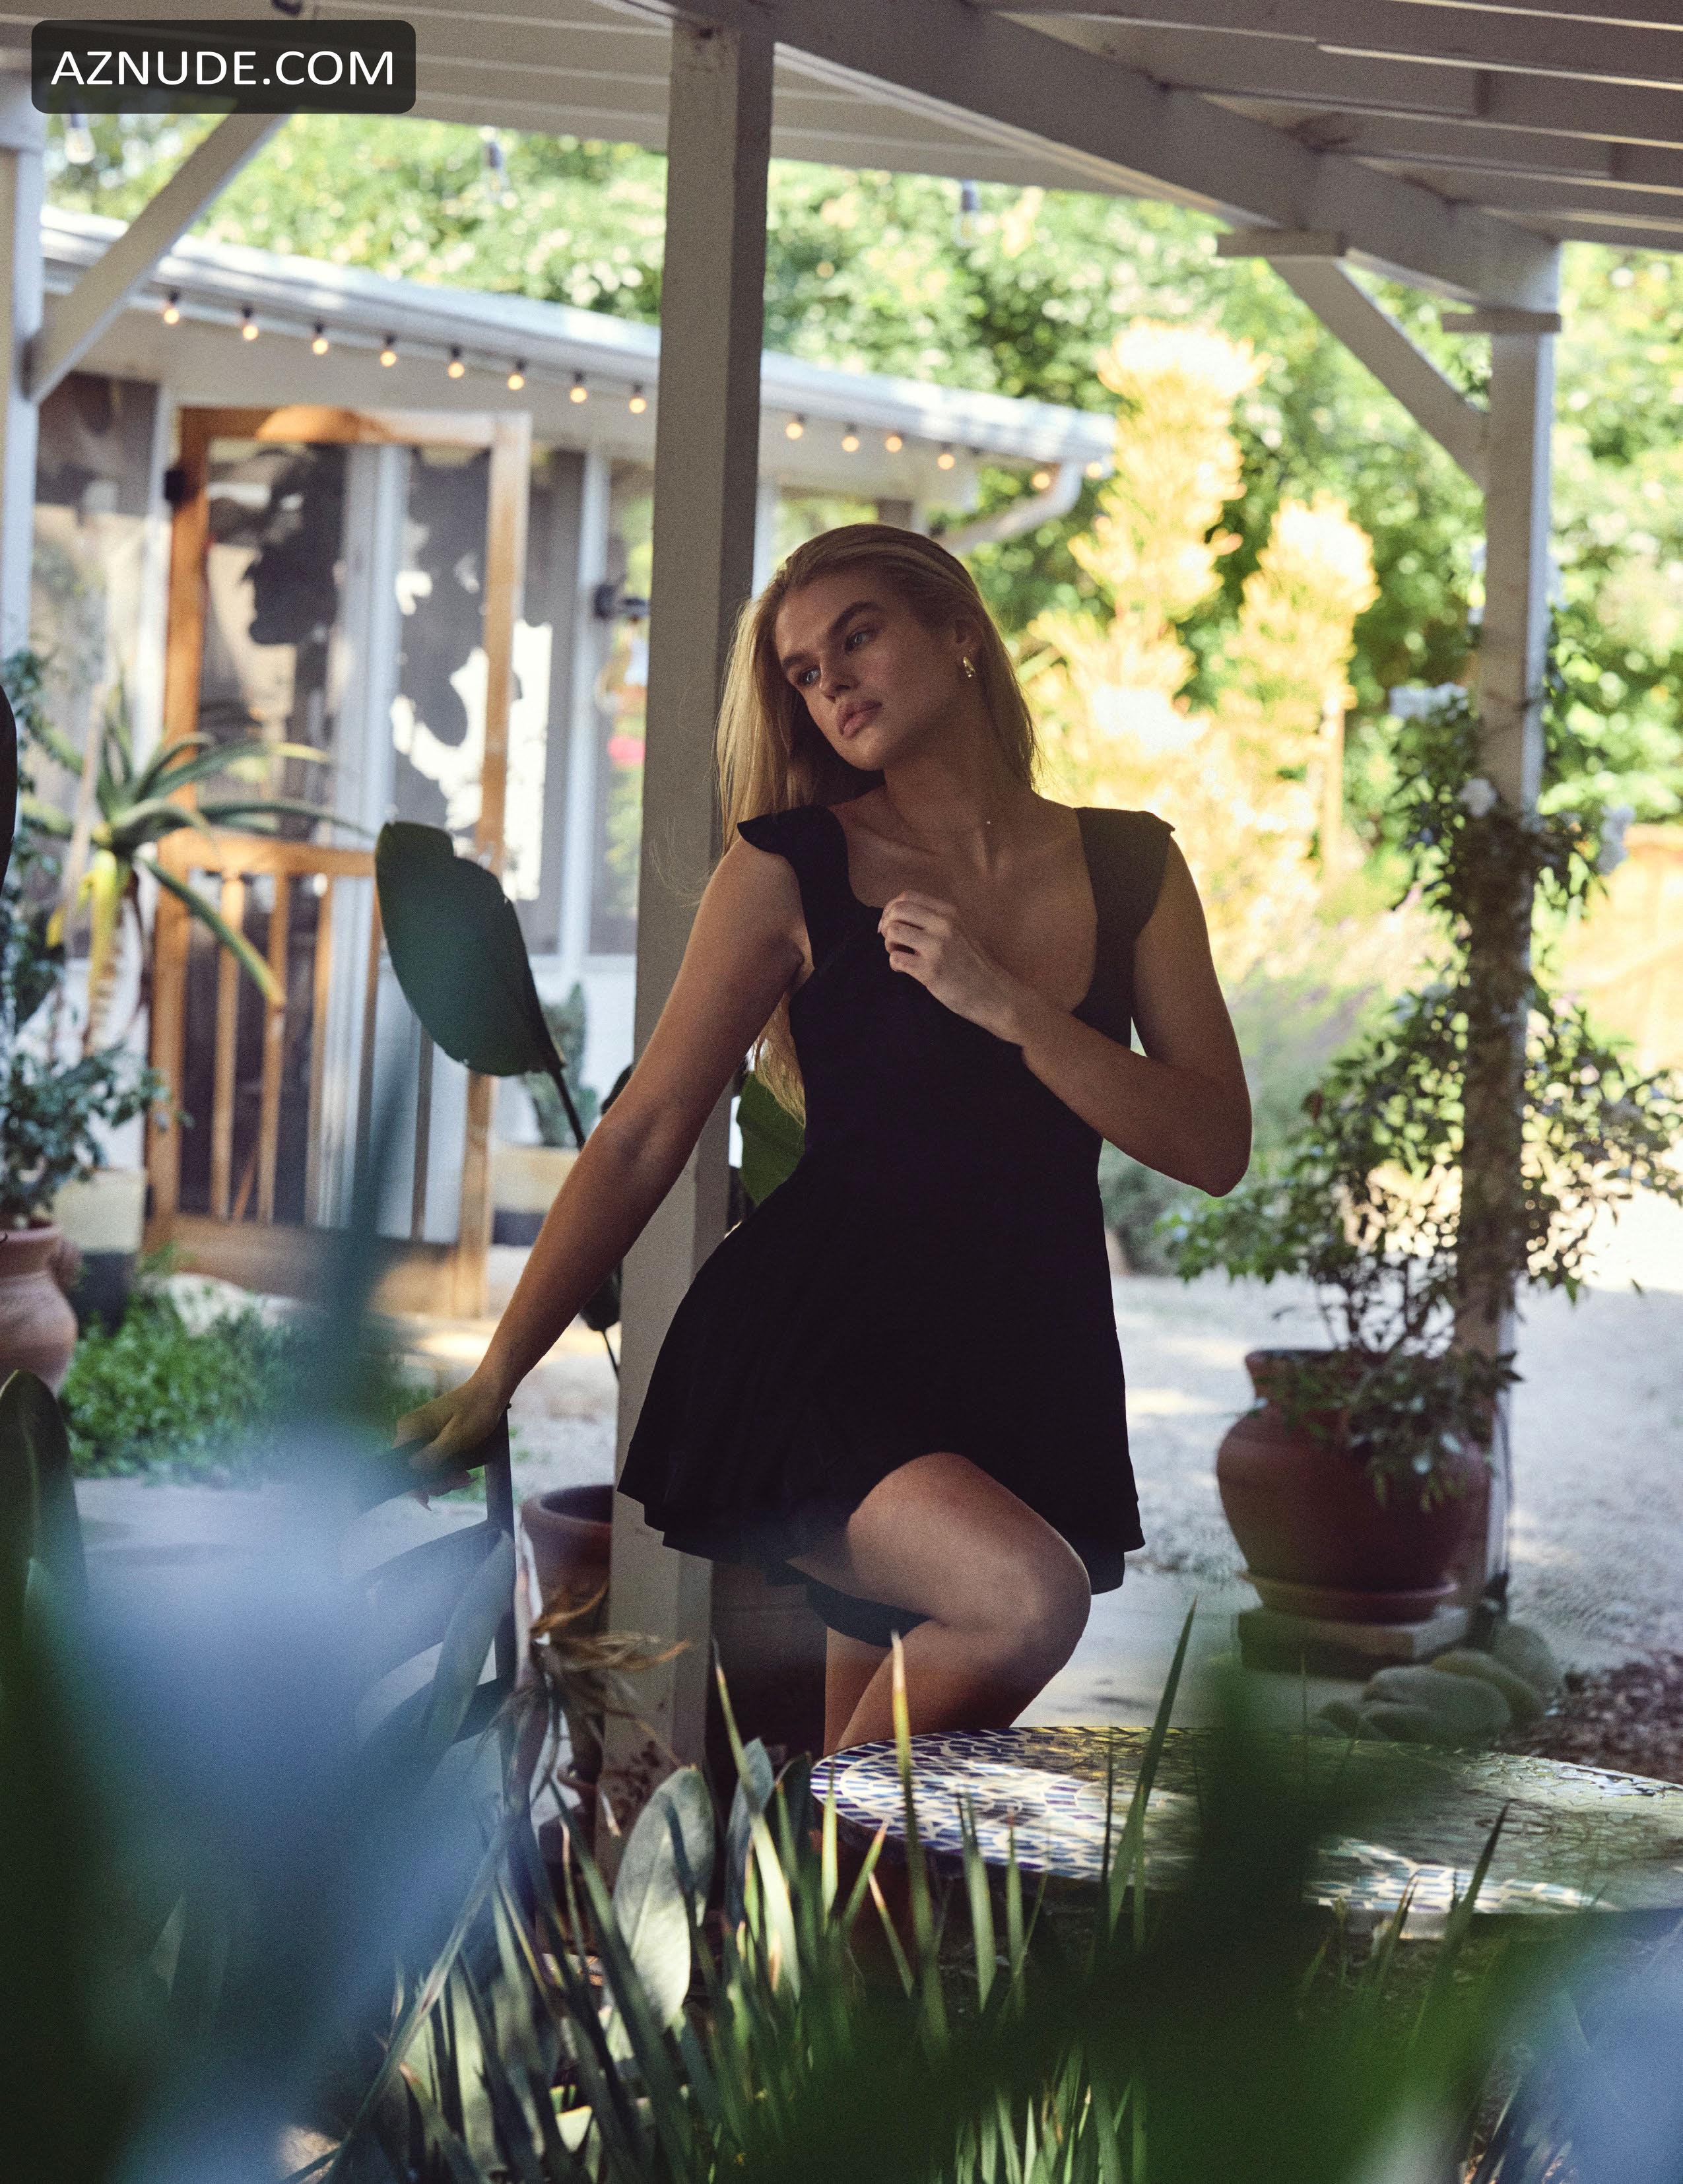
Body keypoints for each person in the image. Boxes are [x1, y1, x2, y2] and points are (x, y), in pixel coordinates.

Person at [397, 523, 1251, 1759]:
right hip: (821, 1344)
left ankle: (776, 1885)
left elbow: (1212, 1144)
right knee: (1023, 1601)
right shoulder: (789, 868)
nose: (832, 681)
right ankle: (769, 1863)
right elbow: (644, 1132)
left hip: (1025, 1345)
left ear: (959, 634)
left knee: (893, 1815)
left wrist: (1009, 1008)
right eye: (804, 671)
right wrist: (497, 1376)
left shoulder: (1133, 868)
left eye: (858, 636)